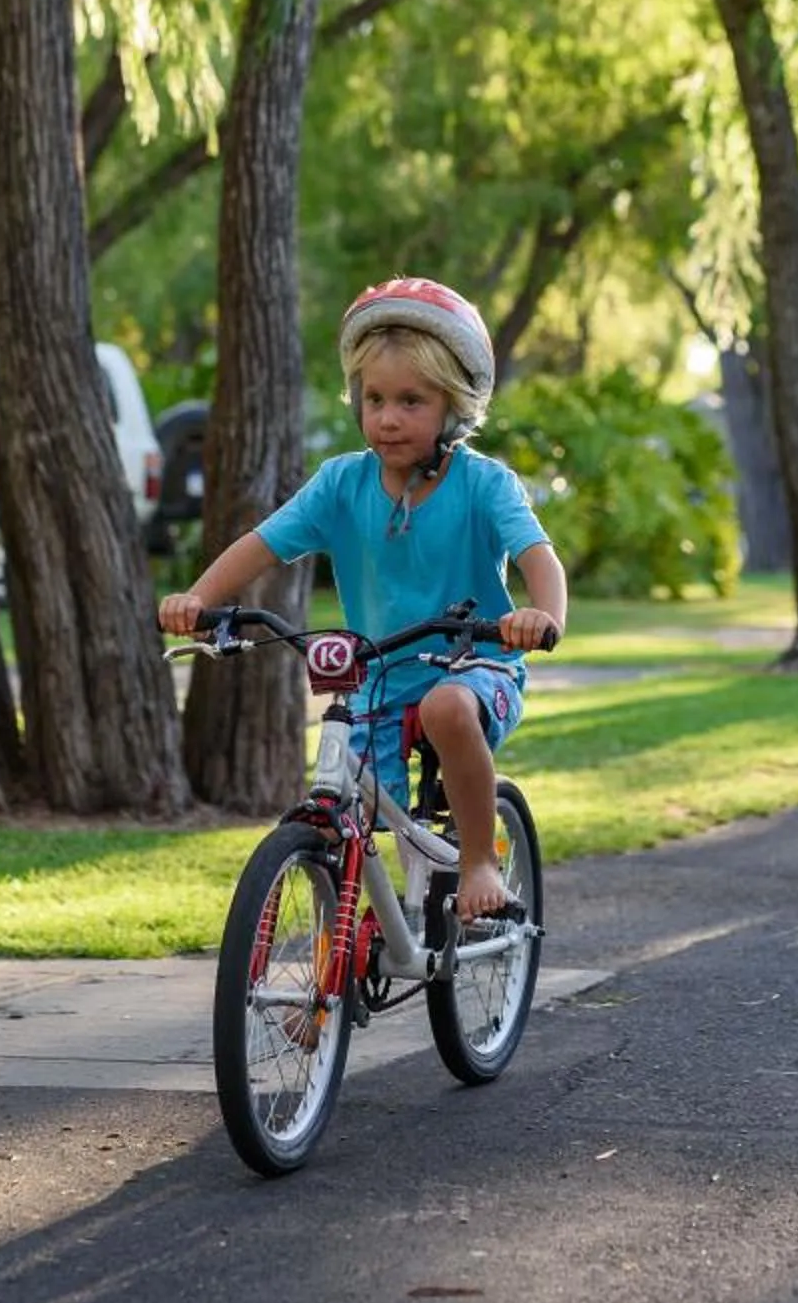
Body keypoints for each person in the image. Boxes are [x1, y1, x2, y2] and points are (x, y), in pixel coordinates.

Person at [159, 277, 566, 921]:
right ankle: (327, 973)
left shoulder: (485, 485)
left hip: (473, 665)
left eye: (411, 401)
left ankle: (479, 860)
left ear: (453, 408)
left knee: (447, 708)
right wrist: (198, 598)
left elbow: (539, 558)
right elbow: (262, 544)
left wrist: (540, 616)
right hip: (379, 673)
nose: (387, 417)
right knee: (336, 814)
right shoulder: (341, 484)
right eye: (374, 399)